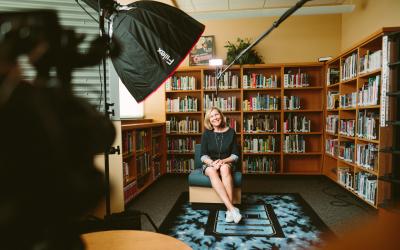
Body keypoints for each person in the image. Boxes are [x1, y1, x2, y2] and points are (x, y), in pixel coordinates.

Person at [200, 107, 242, 223]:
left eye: (216, 114)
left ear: (221, 115)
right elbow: (203, 156)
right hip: (210, 164)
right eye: (211, 116)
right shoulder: (206, 134)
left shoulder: (231, 132)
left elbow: (235, 155)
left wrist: (223, 161)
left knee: (224, 168)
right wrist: (213, 163)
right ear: (209, 120)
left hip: (226, 162)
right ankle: (232, 209)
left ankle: (229, 211)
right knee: (212, 171)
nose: (215, 118)